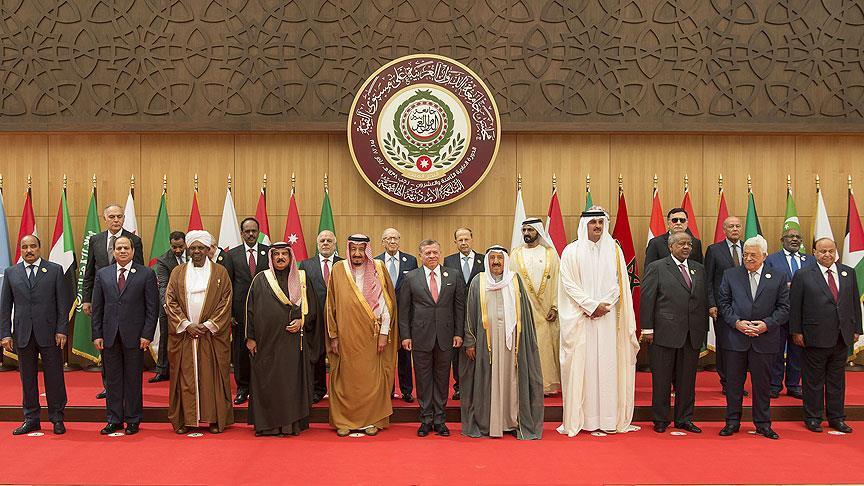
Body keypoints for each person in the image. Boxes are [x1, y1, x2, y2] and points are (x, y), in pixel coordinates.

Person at [557, 208, 640, 436]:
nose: (597, 226)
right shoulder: (571, 251)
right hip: (581, 318)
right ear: (584, 225)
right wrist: (591, 306)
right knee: (584, 368)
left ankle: (608, 419)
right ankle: (585, 420)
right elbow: (568, 284)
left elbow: (619, 283)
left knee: (607, 365)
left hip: (607, 319)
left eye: (600, 222)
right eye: (593, 222)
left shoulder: (614, 251)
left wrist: (604, 305)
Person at [460, 245, 543, 439]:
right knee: (488, 380)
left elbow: (525, 314)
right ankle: (490, 422)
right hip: (485, 342)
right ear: (487, 261)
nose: (496, 262)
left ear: (505, 261)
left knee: (511, 379)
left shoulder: (515, 281)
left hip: (512, 343)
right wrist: (470, 341)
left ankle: (511, 420)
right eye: (492, 258)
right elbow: (470, 313)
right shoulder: (478, 281)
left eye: (500, 258)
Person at [717, 235, 790, 440]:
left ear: (764, 256)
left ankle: (763, 424)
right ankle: (732, 422)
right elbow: (724, 303)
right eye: (746, 254)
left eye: (753, 255)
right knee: (733, 384)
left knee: (762, 385)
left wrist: (766, 324)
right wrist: (737, 323)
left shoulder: (778, 276)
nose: (748, 258)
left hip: (764, 339)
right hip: (736, 338)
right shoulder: (731, 274)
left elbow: (784, 308)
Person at [326, 234, 398, 436]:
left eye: (361, 249)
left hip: (372, 336)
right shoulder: (338, 269)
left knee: (371, 380)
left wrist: (384, 333)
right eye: (353, 249)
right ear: (348, 250)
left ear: (367, 250)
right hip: (345, 336)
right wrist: (333, 336)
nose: (357, 253)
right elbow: (331, 305)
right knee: (346, 380)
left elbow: (386, 304)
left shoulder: (378, 268)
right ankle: (344, 421)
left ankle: (372, 420)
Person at [790, 237, 862, 434]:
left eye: (831, 251)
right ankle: (813, 417)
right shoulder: (803, 275)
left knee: (837, 381)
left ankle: (836, 418)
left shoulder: (848, 272)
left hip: (841, 336)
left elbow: (854, 302)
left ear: (836, 251)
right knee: (813, 381)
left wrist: (857, 329)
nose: (827, 254)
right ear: (814, 252)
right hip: (814, 336)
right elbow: (795, 306)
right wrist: (796, 331)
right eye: (823, 251)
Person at [165, 230, 234, 434]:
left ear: (208, 249)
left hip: (211, 335)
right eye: (193, 248)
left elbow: (226, 301)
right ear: (188, 249)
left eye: (201, 248)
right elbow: (170, 300)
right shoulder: (177, 272)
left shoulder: (220, 272)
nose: (197, 251)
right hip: (185, 335)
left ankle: (213, 419)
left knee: (212, 377)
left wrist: (208, 325)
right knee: (185, 377)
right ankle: (187, 420)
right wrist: (187, 324)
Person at [246, 243, 318, 436]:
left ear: (290, 256)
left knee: (290, 384)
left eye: (284, 254)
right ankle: (268, 425)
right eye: (276, 254)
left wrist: (301, 321)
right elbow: (250, 310)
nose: (280, 257)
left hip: (292, 344)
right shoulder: (260, 279)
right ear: (271, 257)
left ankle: (290, 425)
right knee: (268, 382)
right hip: (265, 343)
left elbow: (313, 309)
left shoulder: (302, 278)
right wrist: (250, 338)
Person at [0, 235, 69, 435]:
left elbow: (63, 304)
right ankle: (31, 419)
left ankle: (57, 418)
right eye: (25, 247)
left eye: (32, 246)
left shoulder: (54, 270)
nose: (29, 250)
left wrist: (62, 329)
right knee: (28, 379)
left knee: (54, 379)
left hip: (50, 333)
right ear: (20, 250)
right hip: (23, 333)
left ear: (39, 248)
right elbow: (5, 307)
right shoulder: (11, 273)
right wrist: (5, 334)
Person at [640, 231, 708, 434]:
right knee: (662, 378)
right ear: (671, 247)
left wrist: (703, 329)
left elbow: (702, 300)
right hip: (664, 333)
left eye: (689, 244)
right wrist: (647, 328)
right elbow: (647, 299)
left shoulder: (698, 269)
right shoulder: (657, 267)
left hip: (691, 334)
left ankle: (684, 418)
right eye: (681, 244)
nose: (686, 247)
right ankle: (661, 419)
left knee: (687, 380)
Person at [91, 236, 159, 435]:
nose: (122, 251)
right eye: (119, 248)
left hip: (136, 337)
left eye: (126, 248)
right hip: (109, 336)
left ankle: (133, 419)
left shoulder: (146, 274)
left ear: (132, 251)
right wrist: (97, 334)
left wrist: (147, 334)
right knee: (112, 381)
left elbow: (152, 308)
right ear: (113, 251)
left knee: (132, 379)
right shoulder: (103, 274)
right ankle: (114, 419)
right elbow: (97, 307)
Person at [399, 239, 465, 437]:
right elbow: (404, 310)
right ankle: (426, 420)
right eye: (427, 253)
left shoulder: (453, 275)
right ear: (420, 255)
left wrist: (458, 333)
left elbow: (459, 307)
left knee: (443, 379)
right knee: (423, 379)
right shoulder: (411, 277)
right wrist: (405, 336)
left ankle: (440, 420)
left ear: (440, 253)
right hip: (420, 336)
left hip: (446, 336)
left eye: (435, 252)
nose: (432, 256)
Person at [81, 204, 144, 400]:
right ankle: (109, 386)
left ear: (124, 218)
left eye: (119, 216)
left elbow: (140, 273)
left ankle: (128, 389)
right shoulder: (96, 240)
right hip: (104, 301)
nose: (116, 220)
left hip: (128, 303)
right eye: (112, 217)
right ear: (105, 219)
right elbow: (89, 271)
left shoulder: (134, 240)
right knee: (107, 346)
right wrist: (86, 299)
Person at [221, 217, 269, 405]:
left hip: (264, 312)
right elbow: (227, 287)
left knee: (263, 350)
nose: (251, 234)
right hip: (239, 313)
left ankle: (261, 387)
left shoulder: (268, 252)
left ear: (258, 232)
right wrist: (230, 313)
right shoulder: (231, 255)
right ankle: (243, 388)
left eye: (254, 231)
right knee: (240, 351)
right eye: (247, 231)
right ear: (241, 233)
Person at [510, 218, 561, 395]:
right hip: (523, 309)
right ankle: (527, 384)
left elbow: (558, 281)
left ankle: (547, 384)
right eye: (524, 230)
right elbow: (511, 282)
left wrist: (555, 306)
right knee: (525, 347)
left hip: (546, 310)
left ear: (538, 232)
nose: (526, 233)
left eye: (530, 230)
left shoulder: (550, 254)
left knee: (545, 347)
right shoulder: (515, 254)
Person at [765, 227, 813, 399]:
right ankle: (774, 385)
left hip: (801, 313)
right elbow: (766, 283)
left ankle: (793, 385)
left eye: (798, 237)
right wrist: (784, 286)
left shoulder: (810, 260)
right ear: (782, 240)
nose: (794, 239)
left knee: (797, 351)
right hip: (779, 312)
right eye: (791, 236)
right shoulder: (771, 259)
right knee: (777, 351)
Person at [299, 230, 342, 403]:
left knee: (339, 354)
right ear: (317, 244)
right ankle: (318, 389)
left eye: (329, 240)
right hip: (314, 319)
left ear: (335, 244)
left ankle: (339, 390)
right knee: (316, 355)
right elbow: (301, 292)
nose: (325, 243)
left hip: (339, 318)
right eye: (322, 240)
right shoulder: (306, 265)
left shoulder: (343, 264)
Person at [375, 227, 418, 402]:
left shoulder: (411, 260)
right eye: (388, 238)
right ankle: (388, 390)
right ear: (382, 242)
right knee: (386, 354)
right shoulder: (376, 261)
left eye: (395, 238)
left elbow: (415, 287)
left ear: (399, 240)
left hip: (405, 314)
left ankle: (407, 391)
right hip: (383, 314)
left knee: (405, 353)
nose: (392, 241)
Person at [704, 216, 745, 396]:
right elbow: (708, 279)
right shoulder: (714, 250)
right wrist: (711, 304)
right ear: (724, 230)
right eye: (731, 226)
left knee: (742, 348)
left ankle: (738, 383)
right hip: (722, 307)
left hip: (746, 307)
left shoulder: (749, 248)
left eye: (737, 226)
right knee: (725, 346)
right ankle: (727, 383)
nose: (735, 229)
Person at [444, 227, 485, 400]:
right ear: (455, 242)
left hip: (480, 312)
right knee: (457, 351)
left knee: (479, 348)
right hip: (457, 312)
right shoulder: (449, 261)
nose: (463, 243)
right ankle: (459, 386)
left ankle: (479, 385)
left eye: (466, 239)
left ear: (472, 239)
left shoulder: (483, 259)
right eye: (460, 240)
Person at [151, 231, 187, 383]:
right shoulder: (163, 260)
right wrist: (167, 304)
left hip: (190, 303)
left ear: (185, 244)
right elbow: (163, 285)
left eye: (180, 246)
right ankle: (162, 370)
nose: (178, 250)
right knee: (165, 335)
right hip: (168, 304)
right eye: (174, 247)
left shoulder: (193, 255)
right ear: (170, 245)